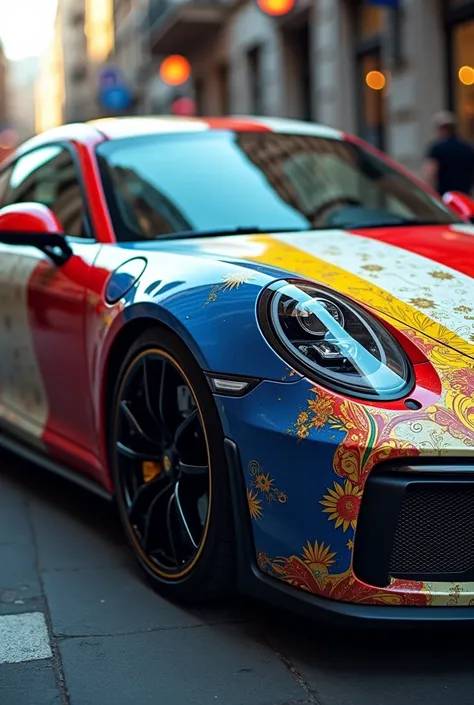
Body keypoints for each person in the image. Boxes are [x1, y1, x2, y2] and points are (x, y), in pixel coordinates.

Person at [422, 110, 474, 196]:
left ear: (441, 128)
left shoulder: (437, 148)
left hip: (445, 199)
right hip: (465, 197)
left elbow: (429, 174)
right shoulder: (467, 148)